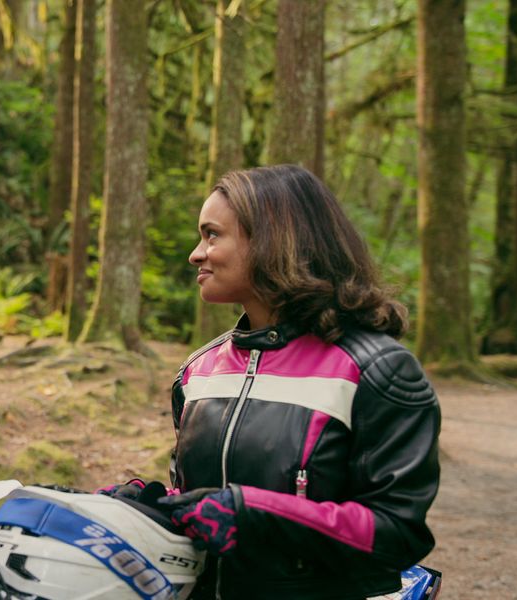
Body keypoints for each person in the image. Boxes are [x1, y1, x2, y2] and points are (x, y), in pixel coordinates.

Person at [157, 164, 440, 598]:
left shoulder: (379, 371)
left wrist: (255, 514)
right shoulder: (199, 370)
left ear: (272, 239)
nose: (196, 253)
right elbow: (199, 513)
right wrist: (152, 506)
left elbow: (396, 534)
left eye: (212, 234)